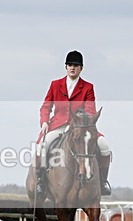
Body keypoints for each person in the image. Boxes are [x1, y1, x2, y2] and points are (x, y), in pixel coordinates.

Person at [35, 50, 112, 196]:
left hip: (80, 127)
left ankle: (102, 182)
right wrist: (44, 122)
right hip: (58, 125)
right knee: (42, 146)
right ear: (66, 67)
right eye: (70, 65)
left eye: (76, 65)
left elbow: (90, 109)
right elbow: (46, 106)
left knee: (104, 146)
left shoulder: (88, 87)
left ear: (81, 68)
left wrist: (83, 121)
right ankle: (41, 181)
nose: (72, 67)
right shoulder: (55, 84)